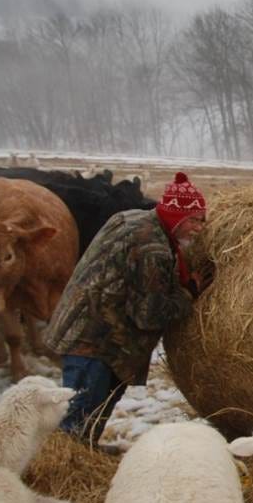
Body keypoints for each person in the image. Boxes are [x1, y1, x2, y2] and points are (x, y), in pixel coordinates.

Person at [45, 172, 212, 442]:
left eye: (202, 220)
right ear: (175, 217)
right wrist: (189, 293)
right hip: (98, 342)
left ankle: (81, 456)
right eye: (194, 220)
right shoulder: (153, 248)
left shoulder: (134, 218)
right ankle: (58, 472)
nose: (199, 228)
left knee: (89, 415)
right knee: (77, 417)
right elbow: (149, 314)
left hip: (85, 328)